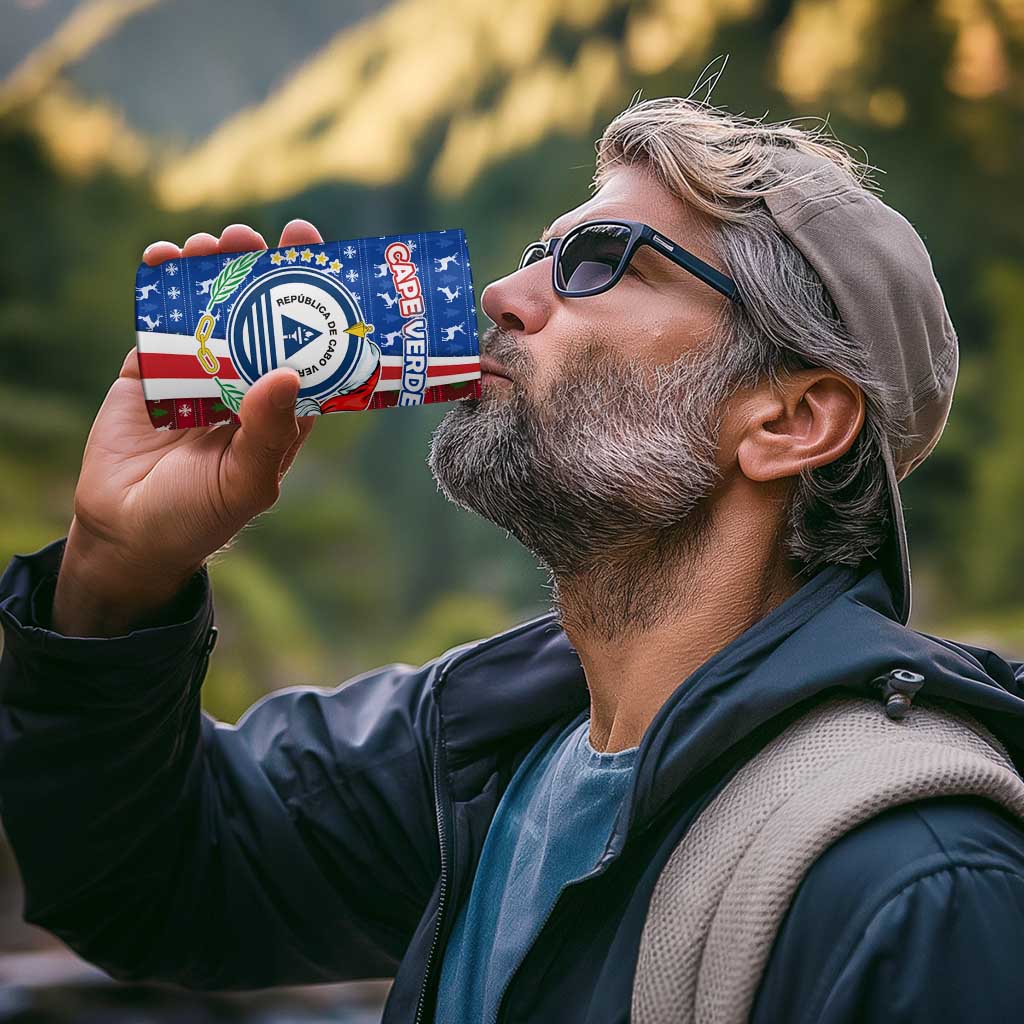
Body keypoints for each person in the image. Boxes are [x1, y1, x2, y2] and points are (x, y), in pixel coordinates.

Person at [2, 95, 1024, 1024]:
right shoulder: (480, 749)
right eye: (540, 252)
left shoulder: (918, 884)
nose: (502, 291)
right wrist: (115, 572)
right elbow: (149, 880)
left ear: (791, 419)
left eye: (599, 261)